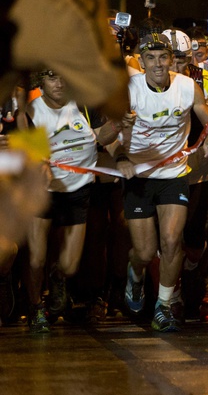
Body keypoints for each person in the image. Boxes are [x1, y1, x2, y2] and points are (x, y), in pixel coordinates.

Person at [115, 32, 208, 332]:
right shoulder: (128, 89)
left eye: (163, 57)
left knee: (173, 241)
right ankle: (135, 275)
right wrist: (120, 137)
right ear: (142, 62)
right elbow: (110, 135)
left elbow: (205, 115)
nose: (158, 64)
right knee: (145, 252)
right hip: (139, 176)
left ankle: (164, 305)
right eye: (150, 58)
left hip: (174, 174)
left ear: (172, 59)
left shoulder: (187, 86)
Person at [22, 70, 121, 332]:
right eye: (52, 77)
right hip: (43, 191)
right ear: (40, 81)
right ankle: (35, 308)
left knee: (69, 264)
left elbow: (102, 137)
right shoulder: (31, 112)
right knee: (36, 258)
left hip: (78, 191)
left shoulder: (84, 104)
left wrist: (119, 126)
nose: (60, 83)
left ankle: (56, 278)